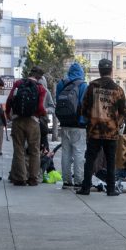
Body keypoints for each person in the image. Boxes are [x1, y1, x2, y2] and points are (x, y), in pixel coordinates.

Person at [77, 58, 126, 197]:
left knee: (90, 160)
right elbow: (124, 111)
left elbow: (84, 107)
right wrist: (117, 123)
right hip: (111, 132)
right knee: (111, 161)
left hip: (94, 131)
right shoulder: (118, 89)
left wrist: (90, 119)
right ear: (111, 70)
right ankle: (111, 189)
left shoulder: (92, 86)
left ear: (99, 70)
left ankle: (85, 187)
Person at [5, 72, 48, 186]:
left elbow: (10, 99)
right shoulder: (40, 88)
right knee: (34, 150)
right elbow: (40, 107)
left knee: (19, 149)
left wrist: (8, 113)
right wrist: (42, 114)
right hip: (33, 121)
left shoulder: (18, 84)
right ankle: (33, 178)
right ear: (39, 77)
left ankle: (20, 178)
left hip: (18, 120)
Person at [55, 61, 88, 189]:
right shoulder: (83, 85)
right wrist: (84, 121)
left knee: (66, 153)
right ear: (81, 72)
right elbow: (84, 105)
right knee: (79, 153)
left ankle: (67, 181)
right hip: (78, 125)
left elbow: (58, 101)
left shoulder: (61, 84)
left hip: (64, 123)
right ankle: (79, 180)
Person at [29, 67, 55, 152]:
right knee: (37, 148)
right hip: (35, 121)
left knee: (37, 147)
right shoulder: (29, 88)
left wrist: (45, 110)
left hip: (39, 122)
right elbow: (52, 107)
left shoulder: (46, 92)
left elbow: (52, 107)